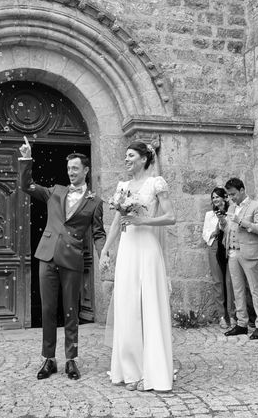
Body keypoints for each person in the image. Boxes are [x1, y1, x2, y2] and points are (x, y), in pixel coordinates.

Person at [18, 138, 106, 381]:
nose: (71, 172)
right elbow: (26, 185)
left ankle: (71, 359)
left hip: (72, 259)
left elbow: (98, 233)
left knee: (70, 311)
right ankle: (49, 359)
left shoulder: (95, 201)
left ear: (86, 170)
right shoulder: (54, 191)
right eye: (69, 169)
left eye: (75, 168)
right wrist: (26, 159)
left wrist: (104, 254)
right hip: (47, 255)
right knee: (47, 309)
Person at [99, 141, 176, 392]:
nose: (126, 159)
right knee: (127, 307)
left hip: (147, 249)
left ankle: (152, 372)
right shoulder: (122, 187)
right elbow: (116, 223)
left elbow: (170, 216)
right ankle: (131, 370)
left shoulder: (156, 184)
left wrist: (144, 220)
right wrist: (106, 249)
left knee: (149, 306)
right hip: (127, 250)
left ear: (144, 159)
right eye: (125, 156)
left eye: (130, 155)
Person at [221, 178, 258, 339]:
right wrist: (222, 222)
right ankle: (241, 323)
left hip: (250, 253)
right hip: (233, 252)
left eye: (233, 194)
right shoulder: (232, 207)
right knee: (237, 290)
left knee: (255, 289)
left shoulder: (257, 206)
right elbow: (228, 229)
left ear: (242, 190)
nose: (231, 198)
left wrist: (240, 220)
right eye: (229, 195)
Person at [201, 187, 233, 328]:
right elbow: (205, 233)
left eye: (217, 197)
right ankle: (221, 316)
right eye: (213, 197)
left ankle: (232, 314)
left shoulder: (231, 212)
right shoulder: (209, 215)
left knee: (231, 282)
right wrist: (214, 232)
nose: (215, 200)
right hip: (215, 247)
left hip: (229, 246)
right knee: (218, 282)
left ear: (225, 198)